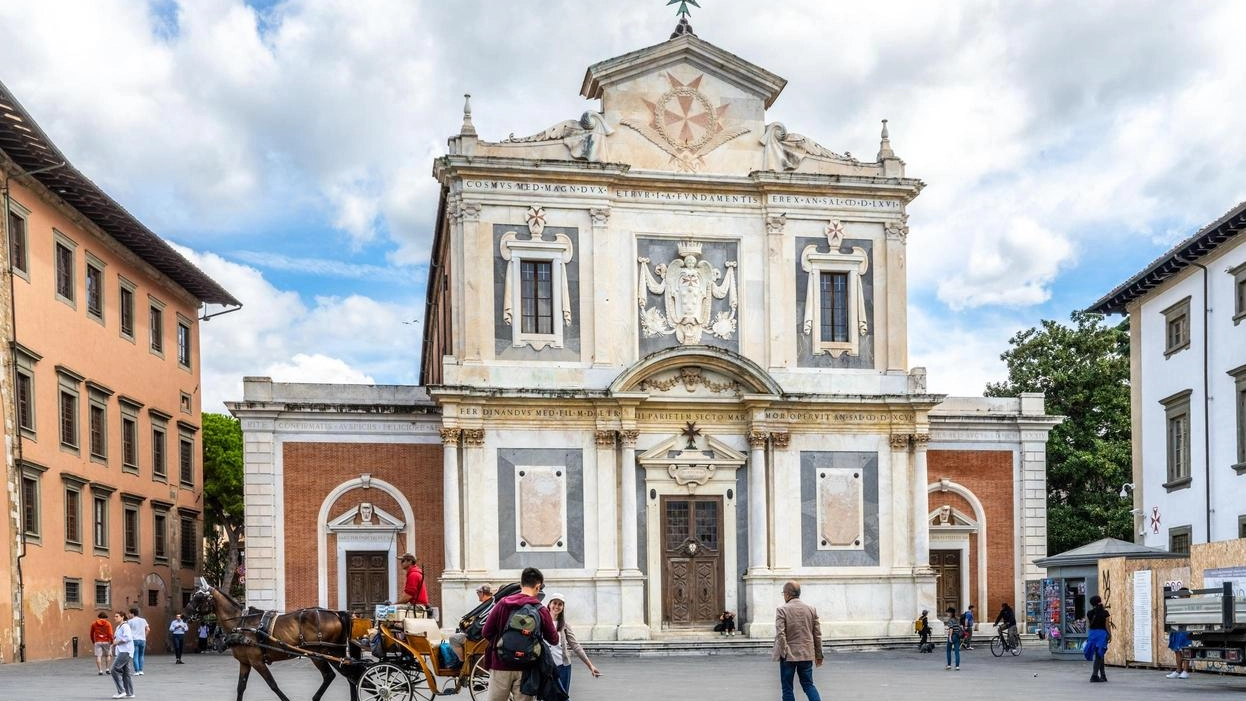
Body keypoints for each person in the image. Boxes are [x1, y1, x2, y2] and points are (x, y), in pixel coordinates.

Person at [482, 567, 558, 701]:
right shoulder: (540, 609)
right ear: (538, 586)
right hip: (527, 668)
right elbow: (554, 639)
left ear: (521, 584)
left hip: (500, 664)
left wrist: (502, 644)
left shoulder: (502, 604)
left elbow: (486, 631)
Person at [543, 592, 602, 698]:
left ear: (563, 607)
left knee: (562, 696)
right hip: (546, 667)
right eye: (555, 603)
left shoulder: (564, 625)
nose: (556, 606)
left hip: (563, 667)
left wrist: (590, 666)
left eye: (560, 604)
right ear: (549, 604)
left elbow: (576, 646)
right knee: (547, 696)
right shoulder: (542, 622)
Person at [772, 580, 823, 701]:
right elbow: (817, 635)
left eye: (783, 593)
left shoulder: (782, 610)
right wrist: (819, 655)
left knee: (787, 688)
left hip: (788, 655)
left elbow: (781, 633)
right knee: (808, 685)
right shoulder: (811, 609)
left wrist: (785, 652)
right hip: (806, 653)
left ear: (788, 594)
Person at [449, 584, 496, 663]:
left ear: (481, 593)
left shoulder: (487, 605)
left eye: (478, 593)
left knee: (453, 638)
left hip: (479, 638)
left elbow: (478, 623)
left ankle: (462, 662)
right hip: (485, 637)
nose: (478, 595)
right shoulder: (491, 604)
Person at [1084, 595, 1110, 682]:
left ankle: (1103, 675)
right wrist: (1110, 634)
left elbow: (1088, 625)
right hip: (1102, 634)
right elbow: (1107, 625)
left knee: (1099, 654)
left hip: (1092, 634)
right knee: (1100, 654)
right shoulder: (1105, 613)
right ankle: (1094, 676)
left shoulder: (1089, 613)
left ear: (1092, 604)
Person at [110, 611, 135, 698]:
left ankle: (121, 691)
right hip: (121, 651)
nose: (115, 618)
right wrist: (114, 643)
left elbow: (128, 638)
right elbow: (116, 638)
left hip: (125, 651)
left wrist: (117, 642)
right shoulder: (118, 627)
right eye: (115, 616)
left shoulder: (125, 626)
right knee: (126, 673)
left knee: (114, 669)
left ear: (122, 617)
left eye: (117, 616)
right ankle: (129, 692)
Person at [127, 607, 150, 675]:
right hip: (142, 640)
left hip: (134, 640)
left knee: (135, 655)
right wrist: (144, 636)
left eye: (129, 613)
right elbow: (148, 629)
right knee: (141, 655)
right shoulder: (143, 620)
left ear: (132, 614)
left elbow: (127, 631)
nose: (128, 615)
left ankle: (136, 671)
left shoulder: (130, 621)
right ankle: (141, 670)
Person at [943, 606, 963, 670]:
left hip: (952, 635)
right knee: (957, 651)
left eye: (948, 612)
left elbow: (951, 628)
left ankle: (949, 665)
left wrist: (950, 637)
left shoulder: (950, 620)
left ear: (951, 613)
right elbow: (959, 627)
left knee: (948, 650)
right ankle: (957, 666)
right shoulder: (957, 619)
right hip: (957, 636)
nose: (947, 614)